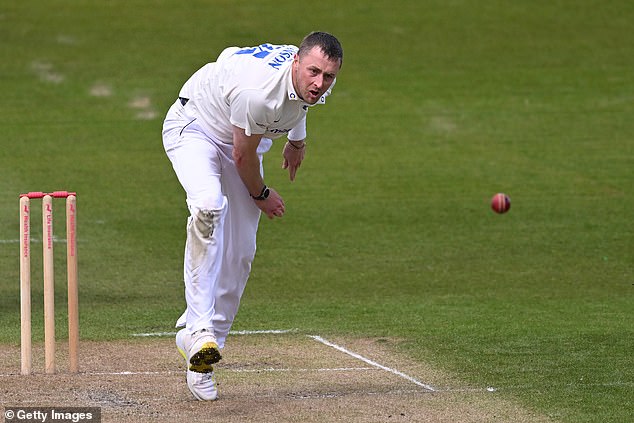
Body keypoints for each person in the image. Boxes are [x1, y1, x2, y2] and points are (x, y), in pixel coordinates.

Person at [161, 31, 343, 401]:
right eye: (313, 73)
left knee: (241, 252)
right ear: (297, 62)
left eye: (328, 77)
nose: (320, 84)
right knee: (210, 206)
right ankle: (196, 330)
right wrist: (260, 194)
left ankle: (203, 356)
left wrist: (296, 142)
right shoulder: (257, 93)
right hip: (195, 127)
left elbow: (299, 105)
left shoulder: (313, 80)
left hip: (241, 134)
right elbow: (243, 157)